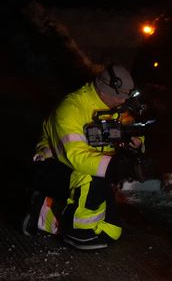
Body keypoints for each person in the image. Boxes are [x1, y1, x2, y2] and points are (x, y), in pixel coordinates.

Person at [23, 64, 146, 250]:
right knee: (91, 176)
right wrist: (114, 167)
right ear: (104, 89)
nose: (123, 101)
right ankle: (76, 232)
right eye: (120, 96)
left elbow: (133, 130)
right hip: (53, 167)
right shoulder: (71, 108)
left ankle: (49, 215)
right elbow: (74, 156)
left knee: (111, 231)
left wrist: (137, 146)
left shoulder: (117, 107)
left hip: (94, 171)